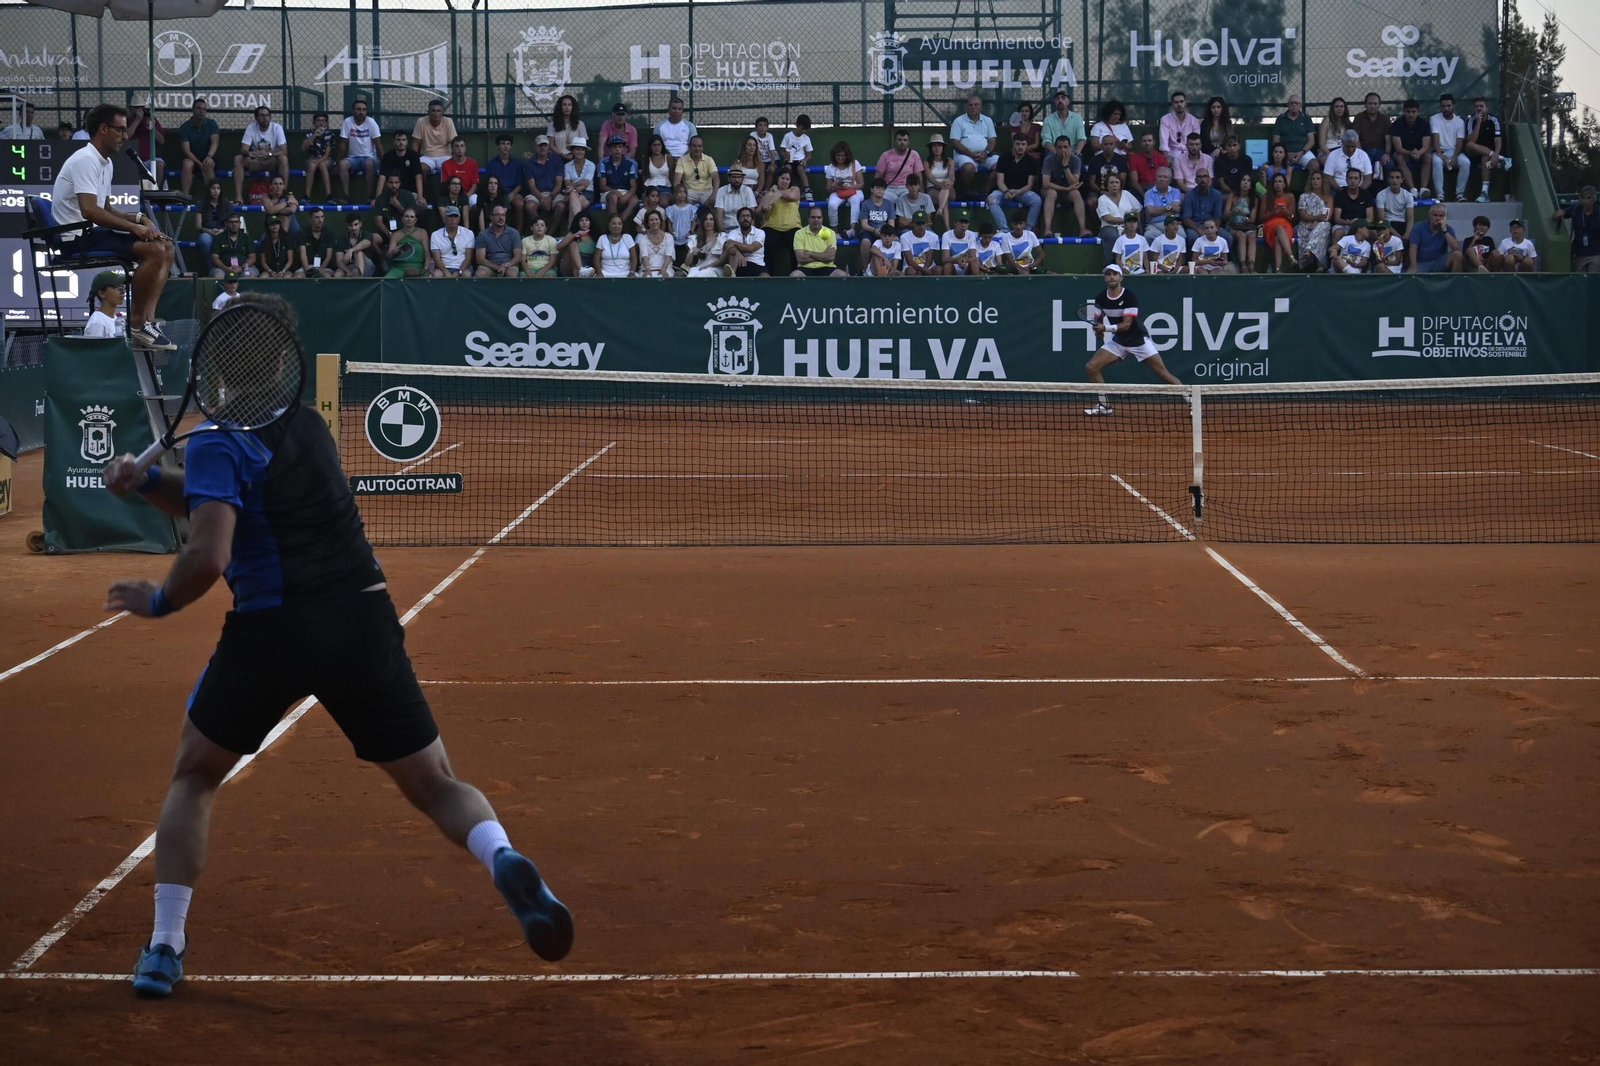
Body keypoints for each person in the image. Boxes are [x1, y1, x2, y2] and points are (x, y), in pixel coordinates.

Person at [104, 292, 573, 999]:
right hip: (361, 621)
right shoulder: (308, 426)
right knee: (436, 783)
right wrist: (145, 486)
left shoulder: (216, 439)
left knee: (195, 776)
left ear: (221, 362)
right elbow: (212, 494)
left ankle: (166, 944)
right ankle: (501, 855)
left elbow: (210, 547)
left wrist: (161, 599)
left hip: (272, 632)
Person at [51, 104, 175, 349]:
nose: (126, 136)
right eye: (120, 130)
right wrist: (134, 229)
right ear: (103, 129)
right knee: (154, 250)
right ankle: (138, 323)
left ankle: (147, 322)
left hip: (91, 233)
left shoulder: (105, 163)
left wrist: (139, 219)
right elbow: (90, 210)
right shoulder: (86, 159)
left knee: (167, 247)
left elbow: (107, 209)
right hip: (75, 239)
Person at [1083, 263, 1182, 417]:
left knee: (1162, 373)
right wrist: (1098, 332)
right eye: (1108, 274)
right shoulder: (1100, 298)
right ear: (1105, 278)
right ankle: (1104, 405)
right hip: (1119, 342)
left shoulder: (1129, 296)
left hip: (1138, 340)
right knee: (1092, 367)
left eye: (1114, 274)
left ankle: (1191, 401)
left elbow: (1127, 325)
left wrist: (1105, 329)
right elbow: (1099, 326)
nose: (1111, 277)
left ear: (1121, 277)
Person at [233, 106, 290, 205]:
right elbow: (243, 149)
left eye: (267, 115)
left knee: (283, 159)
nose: (265, 118)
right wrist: (249, 153)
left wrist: (270, 153)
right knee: (238, 159)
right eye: (262, 115)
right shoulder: (251, 128)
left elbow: (284, 150)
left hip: (272, 160)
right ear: (256, 118)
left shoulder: (277, 128)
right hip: (257, 160)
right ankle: (239, 197)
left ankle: (283, 195)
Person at [988, 134, 1042, 233]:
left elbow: (1030, 184)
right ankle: (1004, 230)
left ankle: (1028, 230)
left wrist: (1019, 191)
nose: (1020, 147)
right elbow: (1000, 181)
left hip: (1023, 192)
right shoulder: (1003, 158)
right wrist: (1006, 191)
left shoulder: (1032, 161)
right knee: (991, 199)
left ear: (1026, 145)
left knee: (1037, 200)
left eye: (1023, 144)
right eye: (1018, 144)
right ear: (1013, 144)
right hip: (1005, 190)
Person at [1040, 136, 1089, 238]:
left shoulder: (1075, 160)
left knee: (1076, 193)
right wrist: (1066, 189)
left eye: (1065, 147)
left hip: (1068, 191)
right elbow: (1046, 183)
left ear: (1070, 148)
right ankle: (1047, 229)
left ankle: (1083, 229)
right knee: (1052, 193)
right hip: (1051, 190)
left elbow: (1074, 183)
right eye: (1060, 147)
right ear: (1055, 148)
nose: (1063, 150)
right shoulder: (1049, 159)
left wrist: (1066, 166)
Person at [1463, 97, 1507, 203]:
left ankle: (1484, 192)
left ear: (1487, 108)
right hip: (1473, 153)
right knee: (1469, 145)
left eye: (1481, 106)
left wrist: (1495, 154)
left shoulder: (1494, 120)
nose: (1479, 109)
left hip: (1487, 154)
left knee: (1485, 158)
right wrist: (1478, 122)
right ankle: (1503, 159)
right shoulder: (1471, 120)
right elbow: (1472, 140)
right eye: (1476, 106)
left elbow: (1498, 140)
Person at [337, 99, 381, 204]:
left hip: (370, 157)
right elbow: (343, 145)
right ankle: (347, 196)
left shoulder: (371, 122)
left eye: (364, 110)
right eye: (358, 109)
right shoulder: (347, 122)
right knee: (342, 164)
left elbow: (378, 145)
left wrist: (384, 162)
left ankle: (370, 196)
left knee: (369, 163)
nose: (361, 112)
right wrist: (337, 163)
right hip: (353, 158)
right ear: (353, 111)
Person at [760, 170, 803, 277]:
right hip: (772, 227)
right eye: (782, 178)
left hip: (792, 227)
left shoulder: (795, 189)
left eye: (787, 179)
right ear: (777, 179)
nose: (785, 181)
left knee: (796, 245)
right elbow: (758, 212)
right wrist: (764, 209)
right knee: (768, 245)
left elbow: (792, 197)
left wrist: (778, 192)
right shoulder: (769, 194)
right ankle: (767, 276)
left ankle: (796, 275)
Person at [950, 94, 998, 186]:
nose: (973, 107)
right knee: (968, 168)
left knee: (1000, 166)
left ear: (981, 107)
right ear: (966, 107)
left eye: (976, 105)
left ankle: (985, 193)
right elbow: (955, 142)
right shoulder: (958, 121)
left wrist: (986, 153)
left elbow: (992, 140)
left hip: (985, 155)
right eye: (970, 105)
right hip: (965, 155)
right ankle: (969, 194)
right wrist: (971, 154)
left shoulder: (988, 121)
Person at [1429, 94, 1470, 203]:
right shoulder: (1434, 119)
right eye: (1443, 106)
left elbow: (1460, 142)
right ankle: (1439, 195)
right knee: (1436, 162)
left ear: (1453, 106)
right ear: (1440, 106)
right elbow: (1435, 138)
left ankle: (1460, 194)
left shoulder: (1460, 122)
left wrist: (1454, 157)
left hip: (1455, 151)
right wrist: (1440, 154)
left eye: (1448, 105)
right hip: (1440, 151)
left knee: (1466, 162)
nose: (1446, 108)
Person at [1388, 98, 1432, 196]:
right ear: (1404, 112)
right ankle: (1412, 189)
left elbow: (1426, 145)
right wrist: (1410, 153)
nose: (1411, 115)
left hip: (1420, 153)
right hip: (1404, 153)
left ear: (1418, 112)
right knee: (1398, 157)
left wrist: (1418, 153)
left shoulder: (1424, 124)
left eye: (1413, 112)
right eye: (1408, 112)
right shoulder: (1397, 124)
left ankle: (1423, 188)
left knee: (1428, 156)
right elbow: (1398, 147)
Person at [176, 98, 219, 197]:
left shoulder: (212, 124)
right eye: (199, 108)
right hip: (193, 159)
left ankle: (212, 198)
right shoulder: (184, 127)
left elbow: (215, 142)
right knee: (187, 164)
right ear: (193, 110)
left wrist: (209, 156)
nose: (201, 111)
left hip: (207, 156)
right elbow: (186, 150)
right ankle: (185, 197)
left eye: (204, 109)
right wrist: (199, 164)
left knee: (209, 163)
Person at [523, 136, 566, 233]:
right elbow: (532, 186)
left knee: (561, 206)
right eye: (540, 145)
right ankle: (540, 231)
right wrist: (542, 198)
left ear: (548, 147)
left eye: (545, 145)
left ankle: (550, 233)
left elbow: (559, 184)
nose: (543, 148)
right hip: (537, 193)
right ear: (535, 147)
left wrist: (550, 197)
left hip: (553, 193)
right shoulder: (529, 163)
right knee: (530, 206)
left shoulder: (557, 160)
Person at [483, 133, 527, 229]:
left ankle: (518, 233)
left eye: (508, 144)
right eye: (503, 143)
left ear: (511, 146)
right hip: (496, 193)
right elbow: (488, 182)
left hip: (513, 193)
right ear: (498, 146)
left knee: (520, 203)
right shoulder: (491, 164)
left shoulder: (518, 163)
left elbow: (519, 184)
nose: (506, 146)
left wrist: (512, 194)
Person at [873, 129, 925, 208]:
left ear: (908, 142)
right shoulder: (886, 155)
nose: (902, 142)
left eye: (905, 140)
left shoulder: (914, 155)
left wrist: (921, 193)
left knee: (910, 198)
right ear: (895, 141)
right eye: (899, 140)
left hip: (907, 188)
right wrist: (874, 192)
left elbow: (918, 177)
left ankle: (906, 220)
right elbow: (878, 176)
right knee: (881, 198)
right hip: (889, 188)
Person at [1552, 185, 1600, 271]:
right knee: (1580, 280)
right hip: (1580, 253)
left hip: (1596, 253)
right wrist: (1560, 213)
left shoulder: (1598, 212)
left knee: (1593, 278)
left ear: (1594, 199)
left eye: (1589, 198)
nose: (1586, 201)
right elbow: (1564, 212)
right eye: (1583, 198)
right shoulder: (1576, 209)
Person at [853, 178, 896, 271]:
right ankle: (865, 270)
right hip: (869, 231)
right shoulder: (866, 204)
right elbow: (864, 224)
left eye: (882, 188)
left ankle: (894, 269)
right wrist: (874, 230)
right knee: (865, 242)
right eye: (877, 188)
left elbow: (891, 224)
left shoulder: (889, 204)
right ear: (872, 189)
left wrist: (884, 233)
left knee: (897, 240)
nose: (880, 190)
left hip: (885, 231)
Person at [1258, 173, 1297, 272]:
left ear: (1284, 184)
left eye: (1280, 182)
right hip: (1270, 224)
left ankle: (1278, 269)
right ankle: (1291, 256)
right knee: (1278, 228)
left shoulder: (1290, 196)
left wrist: (1286, 212)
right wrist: (1272, 213)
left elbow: (1292, 217)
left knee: (1277, 238)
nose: (1277, 184)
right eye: (1275, 182)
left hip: (1286, 224)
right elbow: (1261, 218)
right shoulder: (1266, 196)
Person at [1409, 203, 1462, 273]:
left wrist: (1445, 231)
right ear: (1429, 215)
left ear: (1444, 217)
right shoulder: (1418, 227)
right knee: (1409, 274)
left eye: (1441, 216)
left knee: (1458, 255)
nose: (1438, 218)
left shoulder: (1448, 229)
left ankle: (1455, 282)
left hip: (1439, 263)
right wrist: (1414, 267)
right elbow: (1413, 248)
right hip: (1422, 263)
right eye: (1435, 215)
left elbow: (1455, 247)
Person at [1295, 170, 1333, 269]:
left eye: (1318, 179)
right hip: (1306, 225)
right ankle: (1320, 265)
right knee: (1322, 232)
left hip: (1321, 224)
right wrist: (1316, 219)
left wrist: (1317, 222)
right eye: (1313, 179)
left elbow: (1327, 216)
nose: (1315, 181)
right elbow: (1303, 215)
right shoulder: (1304, 196)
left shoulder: (1328, 198)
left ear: (1322, 181)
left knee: (1324, 226)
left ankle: (1309, 248)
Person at [792, 206, 845, 277]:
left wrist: (810, 253)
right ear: (808, 219)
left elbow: (830, 258)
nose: (816, 220)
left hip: (827, 267)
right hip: (805, 267)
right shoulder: (799, 233)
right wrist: (823, 256)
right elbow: (801, 258)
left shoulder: (830, 232)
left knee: (842, 275)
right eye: (813, 217)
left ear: (822, 219)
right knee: (794, 275)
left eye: (819, 217)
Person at [411, 99, 458, 178]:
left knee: (450, 168)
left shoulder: (448, 122)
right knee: (420, 169)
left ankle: (448, 190)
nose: (436, 114)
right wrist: (415, 160)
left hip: (445, 156)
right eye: (433, 111)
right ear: (428, 112)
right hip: (427, 156)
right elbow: (415, 143)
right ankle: (424, 190)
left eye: (438, 111)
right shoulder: (421, 122)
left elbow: (454, 142)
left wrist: (455, 158)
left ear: (442, 112)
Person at [380, 128, 427, 207]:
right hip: (393, 193)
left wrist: (420, 197)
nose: (401, 142)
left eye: (403, 140)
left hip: (411, 193)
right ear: (393, 142)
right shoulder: (388, 156)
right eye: (398, 140)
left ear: (407, 142)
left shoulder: (413, 155)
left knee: (421, 206)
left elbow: (418, 177)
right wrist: (378, 197)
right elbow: (382, 177)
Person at [823, 142, 864, 230]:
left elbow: (861, 184)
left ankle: (852, 229)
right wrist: (832, 186)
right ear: (834, 155)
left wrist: (849, 187)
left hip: (853, 190)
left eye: (843, 155)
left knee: (855, 200)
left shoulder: (854, 163)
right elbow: (828, 188)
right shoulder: (831, 167)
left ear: (847, 156)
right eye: (838, 155)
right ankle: (836, 232)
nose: (840, 158)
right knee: (831, 204)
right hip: (838, 191)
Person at [1273, 93, 1318, 174]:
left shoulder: (1306, 118)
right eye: (1291, 103)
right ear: (1288, 104)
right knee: (1276, 168)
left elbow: (1311, 141)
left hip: (1303, 153)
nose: (1294, 105)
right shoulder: (1280, 119)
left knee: (1315, 165)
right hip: (1284, 153)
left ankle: (1307, 187)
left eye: (1296, 103)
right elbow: (1276, 141)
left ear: (1301, 105)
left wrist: (1302, 152)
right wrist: (1286, 154)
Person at [127, 95, 166, 186]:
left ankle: (156, 191)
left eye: (141, 107)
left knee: (159, 164)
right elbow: (126, 137)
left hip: (149, 160)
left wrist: (152, 127)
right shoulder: (127, 121)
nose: (139, 110)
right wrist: (137, 120)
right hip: (132, 160)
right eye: (136, 108)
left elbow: (162, 141)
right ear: (132, 109)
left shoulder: (151, 120)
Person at [599, 135, 641, 220]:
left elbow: (633, 186)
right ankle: (614, 221)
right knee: (614, 197)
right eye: (614, 147)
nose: (617, 149)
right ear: (610, 149)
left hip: (625, 192)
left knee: (634, 200)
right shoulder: (604, 163)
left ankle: (620, 221)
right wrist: (615, 192)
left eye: (620, 146)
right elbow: (602, 186)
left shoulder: (630, 163)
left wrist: (627, 195)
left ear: (623, 149)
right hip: (608, 192)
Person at [475, 203, 523, 277]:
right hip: (490, 266)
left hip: (509, 265)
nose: (501, 218)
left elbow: (518, 257)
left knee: (512, 274)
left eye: (503, 215)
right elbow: (480, 259)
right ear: (491, 217)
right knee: (480, 274)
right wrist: (496, 267)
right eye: (497, 215)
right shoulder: (483, 235)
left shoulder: (514, 233)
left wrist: (506, 265)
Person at [193, 179, 230, 273]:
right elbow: (198, 226)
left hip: (223, 232)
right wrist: (209, 231)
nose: (216, 191)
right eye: (213, 188)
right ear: (209, 190)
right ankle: (213, 269)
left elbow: (232, 221)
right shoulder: (202, 204)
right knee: (204, 239)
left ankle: (227, 268)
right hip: (207, 232)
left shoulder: (226, 204)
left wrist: (222, 230)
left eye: (218, 188)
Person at [1178, 168, 1224, 244]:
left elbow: (1218, 217)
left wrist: (1213, 229)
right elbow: (1186, 219)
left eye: (1205, 176)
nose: (1202, 179)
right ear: (1195, 180)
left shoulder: (1217, 195)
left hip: (1212, 225)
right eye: (1199, 177)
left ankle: (1222, 256)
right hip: (1195, 226)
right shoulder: (1189, 195)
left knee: (1227, 237)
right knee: (1192, 237)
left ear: (1209, 179)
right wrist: (1200, 230)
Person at [1330, 167, 1375, 242]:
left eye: (1356, 178)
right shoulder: (1340, 195)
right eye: (1350, 178)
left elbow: (1370, 218)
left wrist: (1358, 222)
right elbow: (1336, 218)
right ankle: (1333, 252)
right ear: (1346, 180)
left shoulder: (1366, 195)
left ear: (1360, 180)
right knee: (1338, 232)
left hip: (1361, 224)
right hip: (1344, 225)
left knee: (1373, 233)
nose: (1353, 181)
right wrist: (1345, 222)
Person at [301, 112, 337, 202]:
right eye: (318, 121)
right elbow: (303, 148)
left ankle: (329, 195)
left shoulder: (330, 135)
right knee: (312, 165)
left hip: (326, 159)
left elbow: (327, 155)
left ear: (327, 123)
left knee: (322, 165)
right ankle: (307, 196)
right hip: (312, 158)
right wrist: (314, 136)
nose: (321, 123)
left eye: (323, 121)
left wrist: (319, 160)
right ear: (314, 123)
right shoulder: (310, 134)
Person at [428, 206, 473, 277]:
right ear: (444, 218)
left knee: (466, 275)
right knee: (436, 274)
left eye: (455, 216)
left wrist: (459, 272)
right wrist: (446, 272)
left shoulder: (469, 233)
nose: (453, 219)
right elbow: (436, 258)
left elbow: (468, 257)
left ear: (459, 218)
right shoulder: (435, 235)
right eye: (450, 216)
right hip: (443, 267)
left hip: (462, 268)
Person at [385, 208, 429, 278]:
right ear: (402, 219)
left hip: (418, 268)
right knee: (386, 280)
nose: (409, 219)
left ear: (415, 220)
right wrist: (393, 252)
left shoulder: (422, 232)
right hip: (399, 268)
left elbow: (427, 253)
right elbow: (388, 256)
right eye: (406, 216)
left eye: (412, 217)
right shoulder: (396, 235)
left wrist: (425, 270)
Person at [1353, 93, 1391, 174]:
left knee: (1389, 164)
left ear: (1379, 105)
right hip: (1365, 150)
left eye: (1375, 104)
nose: (1372, 106)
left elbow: (1388, 139)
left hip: (1381, 151)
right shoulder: (1359, 118)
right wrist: (1361, 154)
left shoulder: (1385, 118)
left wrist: (1387, 153)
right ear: (1365, 105)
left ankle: (1386, 186)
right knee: (1364, 165)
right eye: (1370, 103)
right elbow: (1356, 138)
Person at [1040, 90, 1087, 158]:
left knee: (1078, 160)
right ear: (1055, 102)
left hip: (1073, 153)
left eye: (1063, 98)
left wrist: (1077, 152)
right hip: (1054, 153)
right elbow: (1046, 141)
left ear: (1068, 101)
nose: (1060, 100)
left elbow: (1081, 138)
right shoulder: (1048, 120)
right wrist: (1058, 153)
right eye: (1057, 98)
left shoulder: (1077, 118)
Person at [723, 207, 768, 277]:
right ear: (738, 219)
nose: (745, 218)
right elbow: (728, 246)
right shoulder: (733, 232)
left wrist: (735, 243)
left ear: (752, 219)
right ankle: (731, 278)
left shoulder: (760, 232)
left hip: (757, 264)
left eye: (748, 216)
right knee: (732, 254)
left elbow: (752, 248)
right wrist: (737, 252)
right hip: (740, 264)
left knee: (765, 277)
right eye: (742, 216)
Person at [714, 165, 758, 234]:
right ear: (729, 179)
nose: (737, 180)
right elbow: (719, 214)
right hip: (726, 229)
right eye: (734, 177)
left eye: (739, 177)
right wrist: (722, 233)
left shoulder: (748, 191)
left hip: (743, 230)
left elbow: (751, 215)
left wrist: (750, 233)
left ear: (743, 179)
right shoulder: (721, 191)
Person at [1374, 168, 1416, 240]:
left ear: (1402, 180)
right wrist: (1396, 235)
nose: (1395, 180)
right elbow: (1382, 218)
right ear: (1388, 179)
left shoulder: (1408, 195)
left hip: (1402, 224)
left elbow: (1410, 219)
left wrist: (1407, 234)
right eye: (1392, 177)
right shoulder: (1381, 195)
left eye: (1397, 177)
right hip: (1387, 224)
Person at [82, 271, 126, 338]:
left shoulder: (116, 319)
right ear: (102, 294)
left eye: (123, 287)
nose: (123, 291)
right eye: (117, 287)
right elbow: (92, 348)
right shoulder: (97, 322)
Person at [678, 136, 718, 208]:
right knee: (680, 203)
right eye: (694, 146)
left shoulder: (709, 159)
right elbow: (676, 181)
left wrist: (714, 194)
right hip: (689, 191)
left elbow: (716, 178)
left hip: (706, 191)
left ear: (703, 147)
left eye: (699, 146)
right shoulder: (682, 160)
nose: (697, 149)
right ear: (690, 147)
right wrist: (678, 194)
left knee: (716, 203)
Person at [1085, 134, 1130, 199]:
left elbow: (1122, 181)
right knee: (1092, 201)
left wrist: (1114, 192)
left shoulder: (1122, 160)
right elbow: (1091, 182)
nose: (1108, 147)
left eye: (1111, 144)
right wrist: (1101, 192)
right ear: (1101, 146)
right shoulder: (1094, 160)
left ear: (1115, 145)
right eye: (1106, 144)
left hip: (1118, 190)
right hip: (1098, 191)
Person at [683, 212, 727, 278]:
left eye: (711, 219)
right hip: (699, 268)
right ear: (702, 222)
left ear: (715, 222)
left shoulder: (721, 237)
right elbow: (687, 263)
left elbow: (722, 260)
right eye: (706, 219)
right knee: (692, 272)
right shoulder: (695, 238)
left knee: (705, 273)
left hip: (715, 269)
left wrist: (708, 266)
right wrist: (692, 252)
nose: (708, 222)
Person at [924, 135, 956, 228]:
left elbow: (951, 176)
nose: (937, 148)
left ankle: (939, 210)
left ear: (943, 147)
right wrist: (940, 184)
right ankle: (947, 228)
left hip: (948, 188)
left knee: (945, 188)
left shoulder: (950, 161)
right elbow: (930, 178)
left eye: (939, 145)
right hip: (932, 188)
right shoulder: (926, 162)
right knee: (944, 199)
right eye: (934, 146)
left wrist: (949, 183)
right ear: (931, 148)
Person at [593, 212, 637, 278]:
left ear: (622, 226)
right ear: (609, 226)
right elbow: (596, 259)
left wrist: (632, 272)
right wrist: (599, 273)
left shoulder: (628, 237)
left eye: (619, 224)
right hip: (605, 273)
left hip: (626, 273)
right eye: (613, 224)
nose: (617, 226)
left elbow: (634, 258)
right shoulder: (602, 238)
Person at [561, 138, 595, 221]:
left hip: (587, 193)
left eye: (582, 150)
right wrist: (576, 186)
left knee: (573, 203)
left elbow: (586, 183)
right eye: (577, 149)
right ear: (573, 151)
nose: (580, 152)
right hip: (571, 193)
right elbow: (567, 184)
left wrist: (574, 188)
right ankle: (576, 227)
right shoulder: (567, 166)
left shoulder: (591, 165)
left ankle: (572, 228)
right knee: (573, 195)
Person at [1159, 91, 1199, 160]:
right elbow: (1164, 142)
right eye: (1176, 102)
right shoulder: (1165, 119)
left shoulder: (1193, 120)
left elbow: (1196, 141)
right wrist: (1166, 158)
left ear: (1185, 103)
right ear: (1172, 104)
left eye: (1181, 101)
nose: (1179, 104)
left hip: (1190, 154)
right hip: (1172, 154)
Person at [635, 210, 676, 278]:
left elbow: (669, 255)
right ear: (648, 223)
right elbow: (644, 257)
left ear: (660, 221)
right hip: (647, 269)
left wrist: (663, 270)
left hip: (666, 269)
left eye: (656, 219)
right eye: (651, 220)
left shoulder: (669, 237)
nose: (654, 222)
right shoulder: (643, 239)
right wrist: (647, 270)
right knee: (647, 277)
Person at [440, 137, 480, 204]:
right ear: (452, 149)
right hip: (452, 196)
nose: (459, 149)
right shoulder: (446, 164)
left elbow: (474, 185)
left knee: (476, 201)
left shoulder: (473, 163)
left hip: (469, 195)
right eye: (456, 146)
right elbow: (446, 185)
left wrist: (466, 197)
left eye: (462, 146)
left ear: (465, 148)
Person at [298, 207, 336, 277]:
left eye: (322, 217)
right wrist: (308, 271)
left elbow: (328, 256)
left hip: (324, 266)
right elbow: (303, 254)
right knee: (298, 276)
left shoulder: (329, 233)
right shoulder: (302, 233)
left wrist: (319, 271)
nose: (320, 220)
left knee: (326, 275)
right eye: (317, 217)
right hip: (308, 265)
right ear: (310, 219)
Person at [1127, 132, 1168, 197]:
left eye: (1149, 141)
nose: (1147, 143)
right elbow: (1134, 181)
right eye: (1144, 141)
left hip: (1158, 188)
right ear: (1141, 142)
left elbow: (1166, 179)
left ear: (1154, 142)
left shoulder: (1161, 158)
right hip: (1141, 188)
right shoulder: (1134, 159)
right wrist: (1144, 195)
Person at [546, 94, 586, 160]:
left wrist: (573, 155)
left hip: (575, 158)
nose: (567, 107)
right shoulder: (552, 124)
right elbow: (551, 145)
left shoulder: (580, 124)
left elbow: (583, 145)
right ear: (560, 107)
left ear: (573, 107)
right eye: (564, 105)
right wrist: (561, 154)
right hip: (557, 158)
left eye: (569, 105)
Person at [938, 212, 979, 276]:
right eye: (961, 222)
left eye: (965, 223)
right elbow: (944, 259)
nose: (963, 225)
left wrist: (964, 260)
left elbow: (973, 257)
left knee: (974, 264)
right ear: (955, 223)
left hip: (966, 265)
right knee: (947, 267)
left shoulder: (971, 234)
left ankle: (977, 285)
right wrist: (958, 260)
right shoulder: (946, 235)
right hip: (953, 265)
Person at [779, 114, 814, 189]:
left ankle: (807, 189)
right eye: (802, 128)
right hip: (789, 160)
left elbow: (809, 154)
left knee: (800, 169)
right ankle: (788, 188)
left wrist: (805, 160)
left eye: (805, 129)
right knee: (788, 168)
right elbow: (782, 150)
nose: (804, 131)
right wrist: (785, 155)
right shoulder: (788, 136)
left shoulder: (806, 138)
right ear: (797, 125)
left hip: (800, 160)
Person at [901, 211, 941, 276]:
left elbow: (930, 258)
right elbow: (909, 261)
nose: (921, 226)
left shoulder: (934, 236)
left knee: (938, 270)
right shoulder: (904, 237)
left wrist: (924, 270)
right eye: (918, 223)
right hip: (912, 267)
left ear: (927, 223)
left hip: (928, 266)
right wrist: (923, 270)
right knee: (911, 272)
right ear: (913, 224)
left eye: (923, 223)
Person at [1317, 97, 1353, 167]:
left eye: (1341, 106)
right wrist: (1331, 155)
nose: (1339, 109)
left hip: (1342, 150)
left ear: (1345, 108)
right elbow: (1322, 144)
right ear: (1332, 109)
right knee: (1331, 164)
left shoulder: (1347, 123)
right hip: (1327, 151)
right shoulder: (1326, 121)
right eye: (1336, 107)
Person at [750, 116, 780, 189]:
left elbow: (772, 151)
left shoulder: (769, 136)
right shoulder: (753, 135)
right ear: (756, 127)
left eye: (764, 125)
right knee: (761, 167)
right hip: (759, 159)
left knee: (771, 170)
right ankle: (760, 189)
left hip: (772, 159)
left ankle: (766, 190)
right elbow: (755, 150)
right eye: (760, 125)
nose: (762, 127)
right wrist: (759, 161)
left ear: (767, 128)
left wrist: (772, 164)